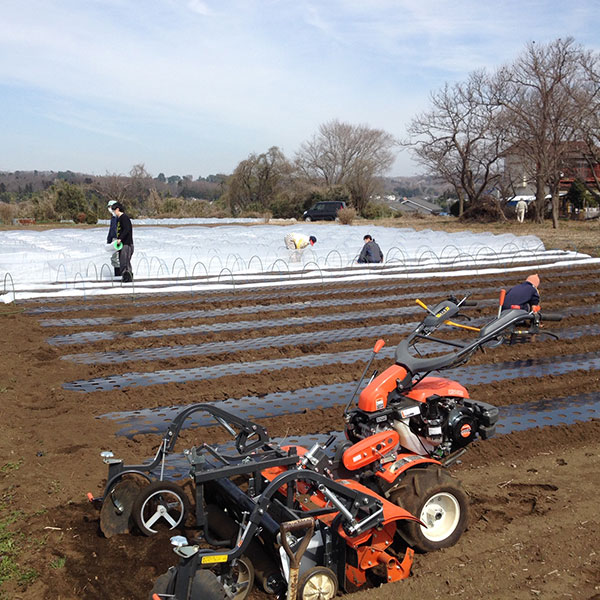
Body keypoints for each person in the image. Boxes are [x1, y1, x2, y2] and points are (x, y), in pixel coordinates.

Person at [111, 203, 134, 282]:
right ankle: (125, 277)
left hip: (126, 244)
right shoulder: (119, 219)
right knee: (122, 261)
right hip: (122, 244)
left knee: (125, 262)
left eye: (114, 210)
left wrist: (120, 238)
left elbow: (126, 229)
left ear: (117, 209)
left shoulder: (124, 218)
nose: (114, 212)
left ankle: (128, 277)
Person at [106, 200, 121, 276]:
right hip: (113, 240)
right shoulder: (113, 217)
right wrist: (109, 240)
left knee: (117, 258)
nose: (109, 209)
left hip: (118, 240)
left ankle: (118, 275)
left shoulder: (118, 217)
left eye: (110, 207)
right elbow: (111, 230)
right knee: (114, 258)